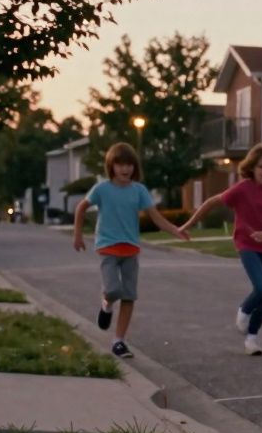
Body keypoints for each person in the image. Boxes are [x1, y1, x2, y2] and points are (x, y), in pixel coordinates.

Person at [72, 142, 190, 359]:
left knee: (129, 296)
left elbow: (155, 217)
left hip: (131, 250)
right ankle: (106, 306)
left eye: (129, 165)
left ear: (134, 167)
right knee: (113, 290)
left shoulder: (139, 190)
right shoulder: (102, 189)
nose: (125, 169)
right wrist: (78, 235)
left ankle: (119, 341)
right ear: (111, 166)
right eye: (120, 165)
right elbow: (81, 207)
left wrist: (176, 230)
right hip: (108, 247)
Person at [180, 143, 262, 356]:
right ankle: (244, 310)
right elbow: (210, 202)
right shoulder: (242, 189)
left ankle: (251, 338)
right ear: (252, 168)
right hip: (247, 244)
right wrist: (187, 225)